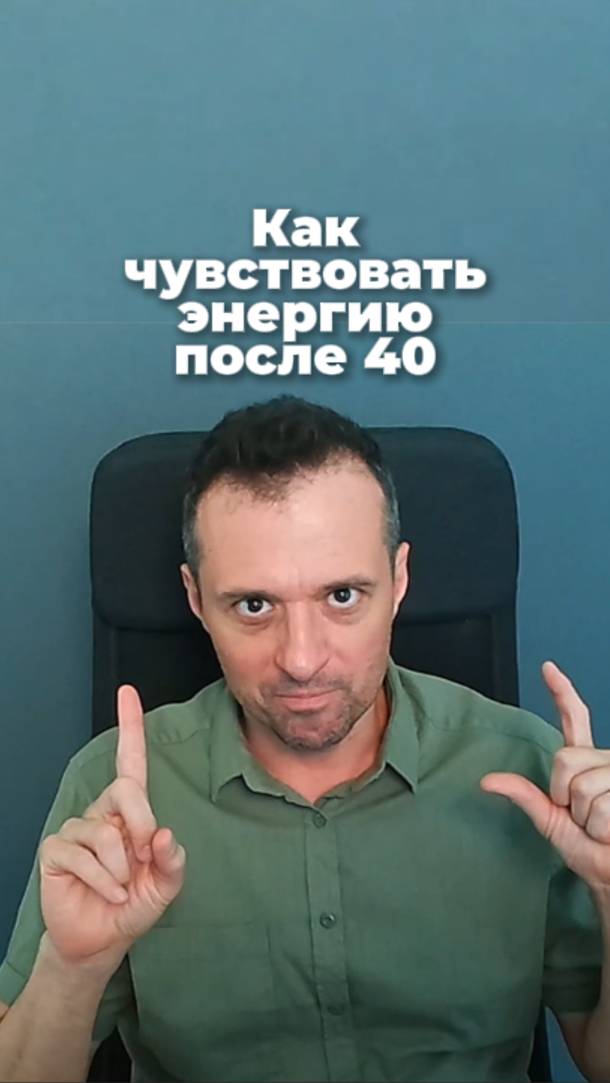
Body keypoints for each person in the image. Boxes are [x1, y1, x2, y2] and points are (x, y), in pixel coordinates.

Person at [0, 395, 607, 1083]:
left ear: (399, 579)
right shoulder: (112, 790)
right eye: (254, 605)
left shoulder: (527, 768)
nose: (301, 658)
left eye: (342, 596)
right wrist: (71, 968)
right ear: (196, 598)